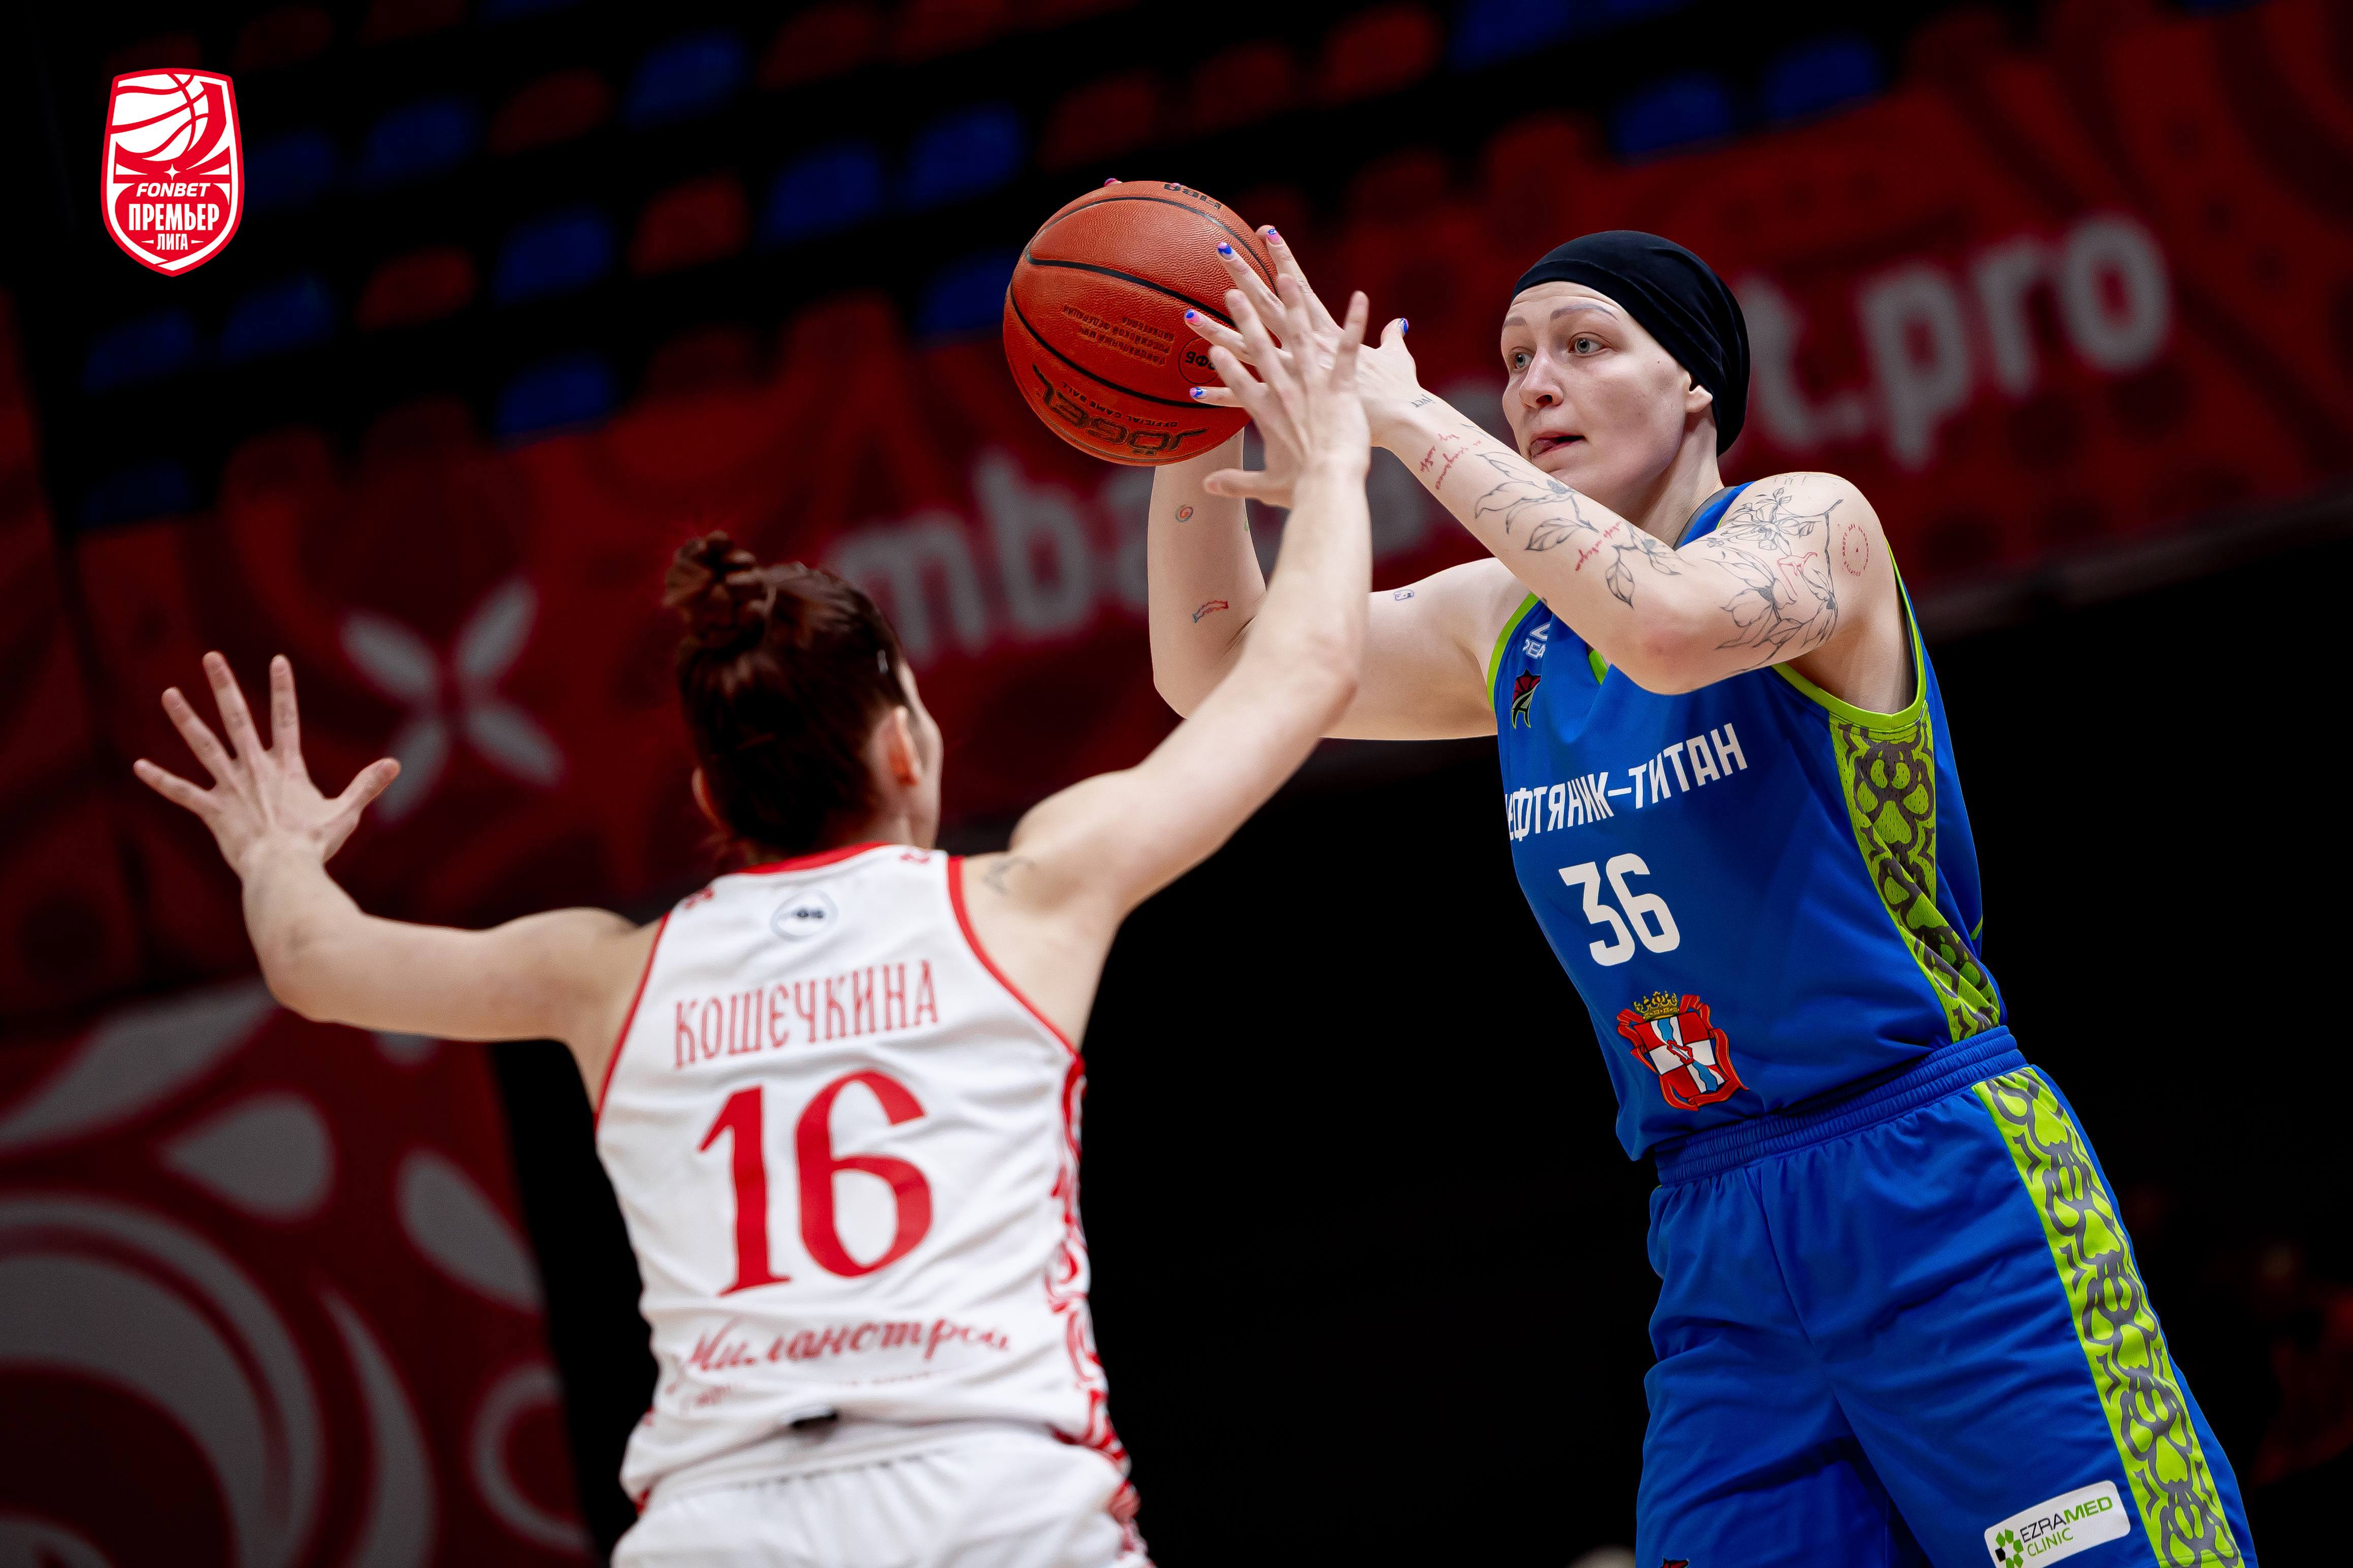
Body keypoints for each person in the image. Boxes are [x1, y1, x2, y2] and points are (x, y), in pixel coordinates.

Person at [134, 280, 1378, 1568]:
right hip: (988, 1494)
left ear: (711, 800)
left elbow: (314, 961)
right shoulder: (1024, 898)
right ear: (907, 750)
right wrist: (1335, 458)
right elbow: (1302, 671)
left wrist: (275, 853)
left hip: (721, 1526)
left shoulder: (609, 975)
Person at [1145, 230, 2256, 1567]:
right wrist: (1182, 411)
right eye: (1513, 358)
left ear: (1696, 385)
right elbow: (1217, 668)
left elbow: (1668, 627)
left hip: (1933, 1179)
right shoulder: (1507, 624)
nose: (1534, 382)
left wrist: (1413, 424)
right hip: (1717, 1229)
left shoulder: (1809, 525)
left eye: (1583, 345)